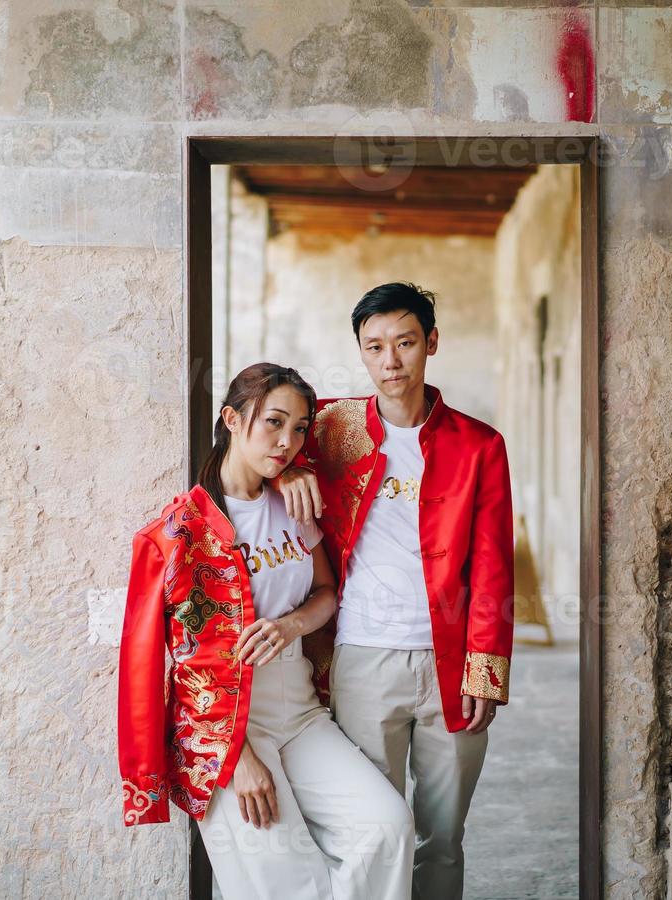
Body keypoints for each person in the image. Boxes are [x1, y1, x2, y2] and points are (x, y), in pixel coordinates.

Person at [117, 363, 414, 900]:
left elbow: (325, 593)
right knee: (290, 886)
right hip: (228, 734)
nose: (288, 441)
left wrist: (289, 624)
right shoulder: (184, 530)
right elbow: (183, 663)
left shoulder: (293, 501)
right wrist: (238, 759)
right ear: (231, 418)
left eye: (300, 428)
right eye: (274, 422)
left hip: (299, 715)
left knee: (387, 827)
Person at [277, 282, 515, 900]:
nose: (391, 361)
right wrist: (296, 468)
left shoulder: (479, 446)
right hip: (362, 660)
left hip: (452, 664)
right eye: (374, 346)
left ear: (430, 343)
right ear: (360, 352)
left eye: (405, 343)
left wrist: (486, 671)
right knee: (370, 833)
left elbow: (492, 566)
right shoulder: (330, 428)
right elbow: (262, 438)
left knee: (442, 836)